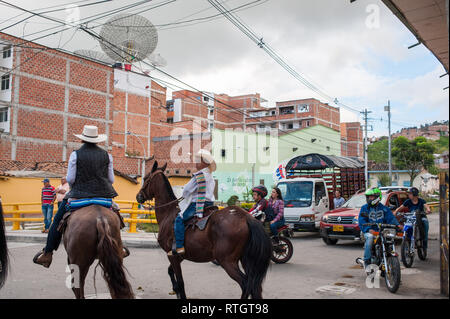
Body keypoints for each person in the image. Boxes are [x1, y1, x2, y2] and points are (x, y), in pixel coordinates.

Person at [33, 125, 118, 268]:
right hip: (103, 195)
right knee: (117, 217)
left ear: (82, 140)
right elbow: (111, 179)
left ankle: (47, 253)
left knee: (56, 221)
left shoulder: (75, 154)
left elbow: (70, 179)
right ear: (97, 140)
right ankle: (120, 248)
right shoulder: (107, 155)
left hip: (79, 195)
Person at [170, 149, 216, 256]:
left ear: (205, 162)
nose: (196, 163)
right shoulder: (210, 175)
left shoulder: (199, 175)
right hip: (210, 204)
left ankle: (180, 246)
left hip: (198, 204)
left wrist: (184, 196)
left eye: (198, 161)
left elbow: (186, 190)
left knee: (179, 219)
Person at [358, 187, 401, 273]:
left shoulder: (384, 208)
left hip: (382, 231)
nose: (369, 198)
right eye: (368, 197)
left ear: (377, 197)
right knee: (370, 238)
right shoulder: (365, 208)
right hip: (369, 231)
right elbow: (361, 221)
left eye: (372, 197)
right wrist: (368, 229)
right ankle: (367, 262)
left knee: (390, 239)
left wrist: (398, 225)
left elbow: (391, 218)